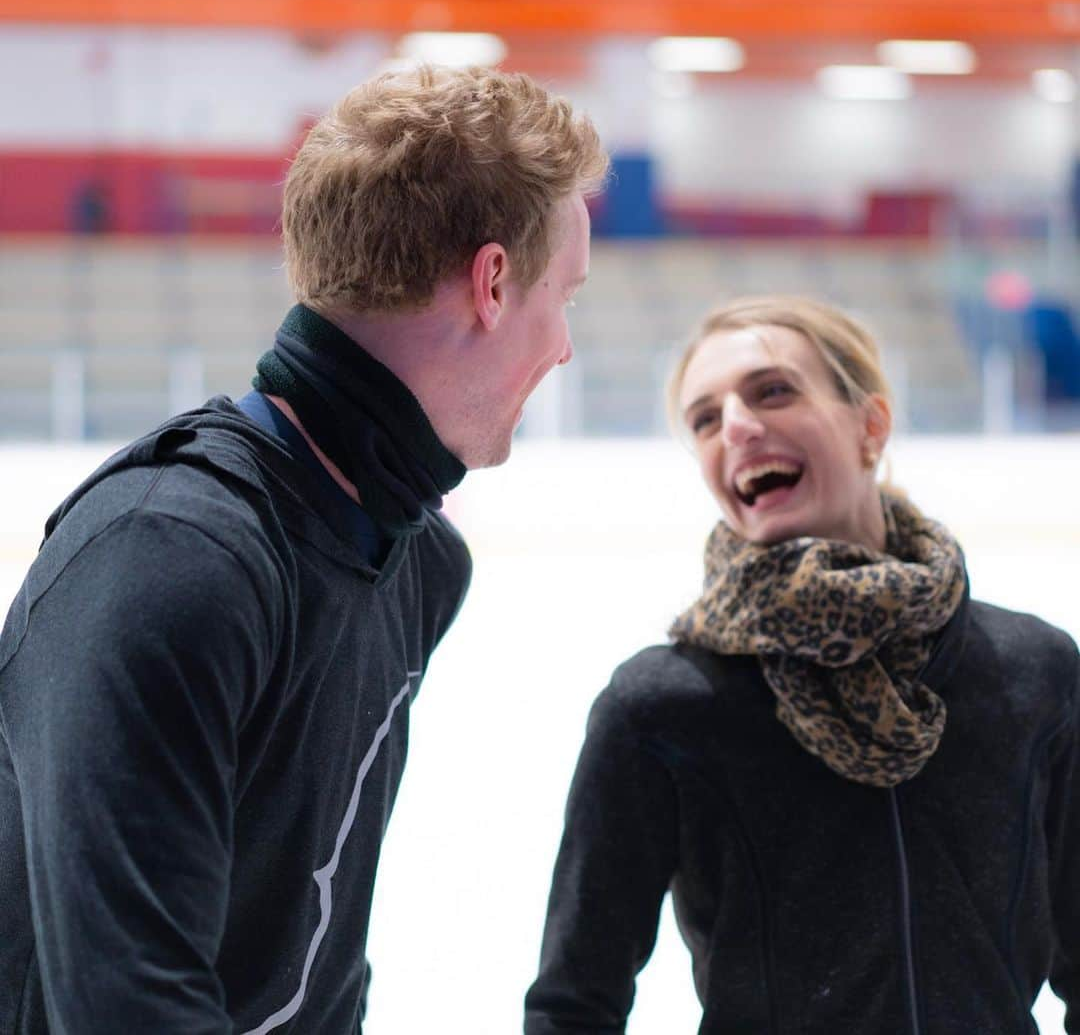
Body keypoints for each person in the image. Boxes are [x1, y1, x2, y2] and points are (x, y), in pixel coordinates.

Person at [0, 65, 607, 1034]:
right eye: (565, 293)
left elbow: (311, 959)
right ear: (493, 282)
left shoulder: (411, 559)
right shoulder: (172, 556)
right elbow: (130, 1008)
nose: (566, 345)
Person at [524, 295, 1080, 1034]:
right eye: (705, 419)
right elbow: (573, 1004)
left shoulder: (1033, 672)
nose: (737, 427)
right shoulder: (663, 705)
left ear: (870, 425)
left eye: (773, 390)